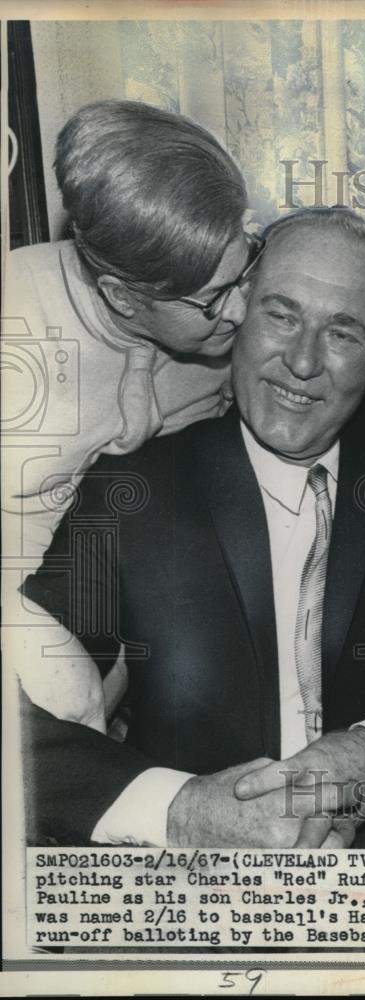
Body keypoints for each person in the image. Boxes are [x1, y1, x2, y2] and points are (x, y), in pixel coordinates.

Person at [19, 208, 365, 848]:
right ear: (239, 316)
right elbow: (20, 720)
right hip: (202, 880)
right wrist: (180, 811)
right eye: (281, 315)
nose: (301, 362)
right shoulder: (136, 487)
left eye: (342, 334)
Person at [2, 99, 261, 718]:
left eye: (243, 272)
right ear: (121, 295)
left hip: (140, 614)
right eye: (211, 300)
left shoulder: (226, 329)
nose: (240, 313)